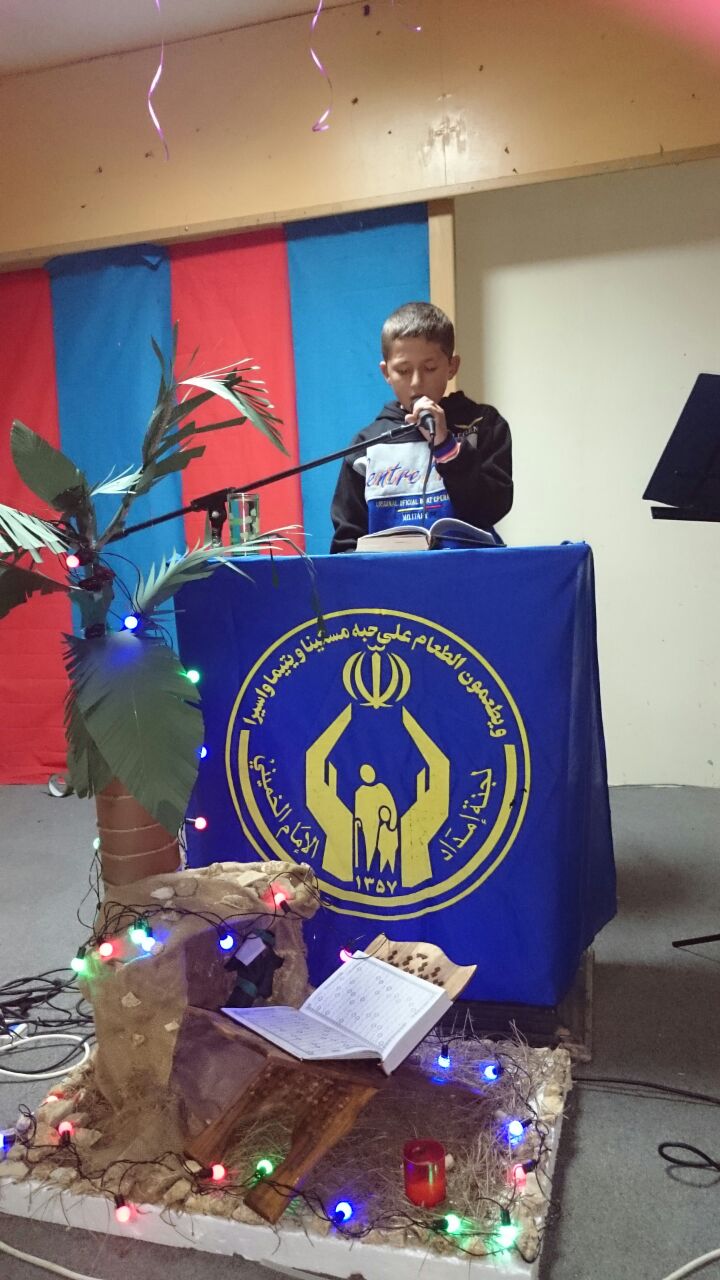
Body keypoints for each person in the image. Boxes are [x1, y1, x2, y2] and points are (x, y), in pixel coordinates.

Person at [329, 301, 513, 553]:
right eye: (403, 370)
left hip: (466, 571)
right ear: (386, 372)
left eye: (429, 368)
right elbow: (346, 541)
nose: (416, 382)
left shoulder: (482, 425)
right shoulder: (367, 444)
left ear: (452, 366)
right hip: (391, 576)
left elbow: (492, 508)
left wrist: (447, 447)